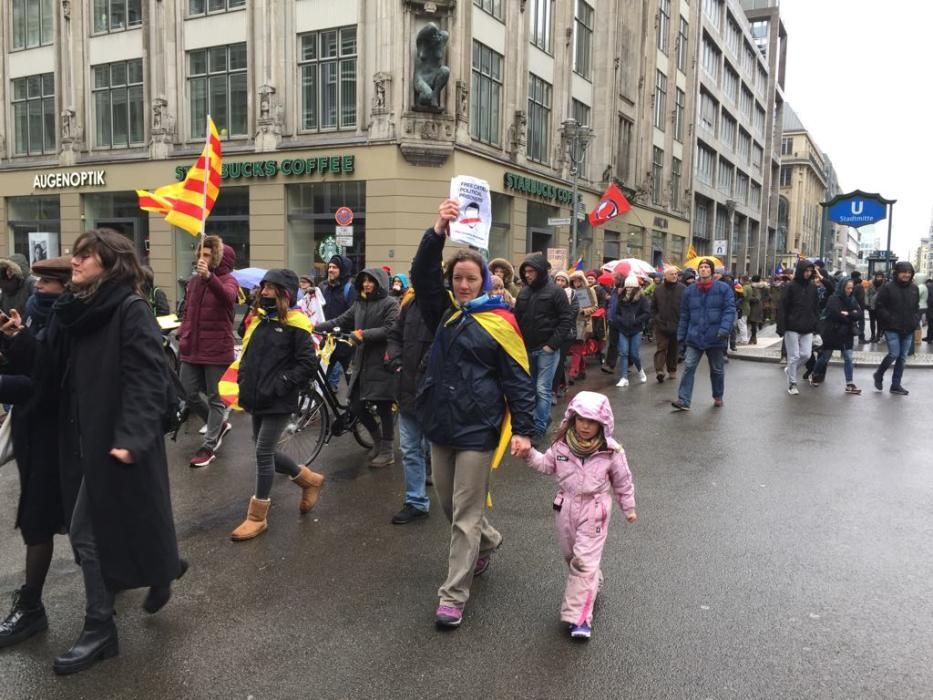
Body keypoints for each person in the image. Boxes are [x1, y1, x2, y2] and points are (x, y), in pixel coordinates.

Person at [0, 229, 185, 674]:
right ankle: (157, 576)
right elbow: (47, 367)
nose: (75, 261)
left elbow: (147, 379)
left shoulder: (129, 309)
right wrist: (19, 338)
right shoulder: (75, 310)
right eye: (77, 255)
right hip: (80, 441)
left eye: (86, 255)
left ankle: (101, 628)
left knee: (88, 534)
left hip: (115, 442)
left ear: (111, 262)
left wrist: (132, 437)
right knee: (106, 531)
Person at [417, 199, 535, 629]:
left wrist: (524, 429)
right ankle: (489, 541)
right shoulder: (443, 312)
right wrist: (437, 231)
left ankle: (453, 596)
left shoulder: (500, 321)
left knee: (464, 515)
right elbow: (421, 278)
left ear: (485, 281)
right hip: (439, 422)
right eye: (457, 278)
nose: (463, 285)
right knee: (449, 506)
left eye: (471, 278)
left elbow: (519, 379)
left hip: (478, 428)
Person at [519, 391, 636, 640]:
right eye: (581, 419)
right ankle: (592, 580)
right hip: (566, 508)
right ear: (573, 419)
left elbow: (623, 481)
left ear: (602, 424)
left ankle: (579, 618)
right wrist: (529, 453)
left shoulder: (612, 451)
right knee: (572, 557)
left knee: (583, 563)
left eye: (591, 421)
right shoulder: (562, 446)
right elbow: (546, 465)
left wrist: (629, 507)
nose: (585, 426)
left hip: (595, 511)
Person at [0, 257, 71, 649]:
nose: (38, 287)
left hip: (57, 438)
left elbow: (45, 384)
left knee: (44, 520)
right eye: (38, 280)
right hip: (34, 436)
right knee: (57, 520)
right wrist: (11, 339)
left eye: (47, 282)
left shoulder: (68, 322)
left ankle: (31, 608)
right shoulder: (40, 318)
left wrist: (18, 342)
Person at [225, 269, 323, 540]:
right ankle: (309, 480)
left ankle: (257, 517)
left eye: (270, 288)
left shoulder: (296, 324)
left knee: (262, 452)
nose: (263, 292)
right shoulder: (260, 320)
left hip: (279, 399)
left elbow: (307, 364)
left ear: (284, 293)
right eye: (263, 287)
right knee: (262, 448)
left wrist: (281, 383)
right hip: (257, 396)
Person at [386, 231, 448, 525]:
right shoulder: (408, 305)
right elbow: (395, 335)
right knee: (410, 448)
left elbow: (442, 343)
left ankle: (450, 501)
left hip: (432, 391)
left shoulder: (446, 305)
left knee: (437, 450)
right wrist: (397, 363)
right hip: (407, 388)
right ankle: (416, 500)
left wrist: (424, 369)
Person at [314, 268, 400, 467]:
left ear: (380, 283)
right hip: (362, 362)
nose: (367, 284)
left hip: (382, 362)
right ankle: (377, 440)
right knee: (355, 405)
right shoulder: (360, 303)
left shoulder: (390, 304)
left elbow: (391, 329)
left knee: (383, 406)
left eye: (371, 281)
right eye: (364, 281)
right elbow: (341, 320)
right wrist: (317, 326)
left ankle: (387, 451)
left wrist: (363, 334)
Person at [177, 235, 238, 467]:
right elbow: (189, 313)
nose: (202, 258)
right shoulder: (193, 283)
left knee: (216, 398)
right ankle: (219, 425)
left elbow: (228, 298)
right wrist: (183, 333)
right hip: (192, 347)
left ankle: (209, 445)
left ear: (218, 257)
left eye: (207, 254)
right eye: (200, 254)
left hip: (216, 348)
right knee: (187, 392)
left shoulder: (228, 280)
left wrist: (210, 278)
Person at [514, 254, 574, 439]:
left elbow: (566, 319)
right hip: (527, 348)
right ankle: (541, 419)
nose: (528, 275)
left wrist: (552, 345)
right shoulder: (523, 292)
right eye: (525, 272)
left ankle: (539, 429)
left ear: (539, 271)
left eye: (531, 271)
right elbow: (517, 319)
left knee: (542, 389)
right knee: (531, 389)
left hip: (546, 350)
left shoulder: (556, 292)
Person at [671, 259, 736, 410]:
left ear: (712, 271)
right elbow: (685, 314)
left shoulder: (723, 289)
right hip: (695, 336)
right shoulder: (690, 291)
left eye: (707, 267)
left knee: (717, 369)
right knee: (689, 366)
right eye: (701, 267)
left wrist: (724, 330)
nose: (704, 269)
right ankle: (684, 400)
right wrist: (681, 335)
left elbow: (729, 310)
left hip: (716, 336)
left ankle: (718, 395)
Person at [872, 261, 920, 396]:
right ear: (897, 273)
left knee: (902, 357)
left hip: (908, 328)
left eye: (909, 272)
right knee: (894, 353)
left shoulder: (914, 288)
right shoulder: (887, 287)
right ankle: (879, 374)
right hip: (892, 327)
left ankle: (895, 385)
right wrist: (889, 319)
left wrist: (915, 320)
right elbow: (879, 307)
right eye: (903, 272)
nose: (906, 275)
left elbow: (916, 308)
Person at [811, 277, 862, 394]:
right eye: (848, 288)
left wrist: (848, 314)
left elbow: (859, 313)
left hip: (846, 334)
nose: (850, 290)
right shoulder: (833, 299)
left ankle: (849, 383)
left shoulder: (852, 299)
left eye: (851, 288)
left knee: (848, 358)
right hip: (832, 333)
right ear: (842, 287)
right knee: (825, 358)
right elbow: (836, 314)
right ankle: (814, 373)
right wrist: (850, 315)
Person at [776, 260, 819, 396]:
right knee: (794, 356)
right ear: (800, 271)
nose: (808, 273)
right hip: (792, 326)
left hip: (807, 326)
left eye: (810, 271)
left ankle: (790, 370)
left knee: (806, 354)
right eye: (806, 271)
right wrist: (781, 326)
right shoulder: (790, 287)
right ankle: (792, 383)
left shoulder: (813, 288)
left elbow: (815, 307)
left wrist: (815, 326)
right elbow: (783, 307)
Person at [321, 254, 357, 391]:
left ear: (343, 270)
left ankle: (355, 410)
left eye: (334, 267)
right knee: (320, 381)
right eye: (329, 267)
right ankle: (316, 408)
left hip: (346, 344)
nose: (330, 270)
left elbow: (352, 316)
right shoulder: (325, 289)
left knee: (353, 384)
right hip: (329, 343)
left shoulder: (350, 289)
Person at [609, 275, 650, 387]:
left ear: (636, 287)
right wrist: (620, 320)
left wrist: (636, 321)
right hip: (623, 329)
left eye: (631, 287)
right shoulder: (621, 298)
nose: (629, 289)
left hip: (636, 329)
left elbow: (647, 313)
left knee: (634, 354)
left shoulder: (642, 298)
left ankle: (640, 370)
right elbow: (616, 313)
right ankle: (624, 377)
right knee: (623, 353)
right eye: (627, 287)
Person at [651, 266, 684, 383]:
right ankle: (659, 371)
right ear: (665, 276)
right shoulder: (658, 290)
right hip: (661, 324)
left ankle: (672, 370)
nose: (674, 276)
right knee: (661, 348)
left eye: (676, 274)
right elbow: (653, 307)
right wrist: (656, 319)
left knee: (673, 349)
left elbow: (686, 307)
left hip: (677, 324)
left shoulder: (682, 289)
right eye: (672, 274)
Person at [567, 271, 597, 382]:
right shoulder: (570, 292)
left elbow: (595, 306)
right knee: (576, 348)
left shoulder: (588, 290)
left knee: (577, 347)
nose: (576, 282)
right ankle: (582, 369)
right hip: (570, 322)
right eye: (574, 280)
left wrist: (584, 311)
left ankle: (573, 372)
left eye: (578, 280)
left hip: (583, 323)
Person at [866, 271, 885, 343]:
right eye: (878, 276)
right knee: (872, 321)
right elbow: (867, 294)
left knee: (879, 322)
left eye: (880, 277)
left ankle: (878, 336)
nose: (879, 278)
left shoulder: (884, 284)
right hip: (871, 305)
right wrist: (867, 303)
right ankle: (872, 335)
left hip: (880, 306)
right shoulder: (871, 283)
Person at [746, 275, 765, 344]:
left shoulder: (754, 287)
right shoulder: (761, 287)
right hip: (758, 307)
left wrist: (748, 298)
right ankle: (753, 337)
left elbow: (757, 298)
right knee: (753, 323)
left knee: (753, 323)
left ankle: (753, 338)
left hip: (754, 307)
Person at [850, 271, 867, 343]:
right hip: (860, 307)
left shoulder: (850, 284)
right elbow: (861, 298)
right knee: (861, 323)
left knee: (852, 322)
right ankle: (861, 338)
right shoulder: (859, 286)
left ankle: (852, 336)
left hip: (852, 306)